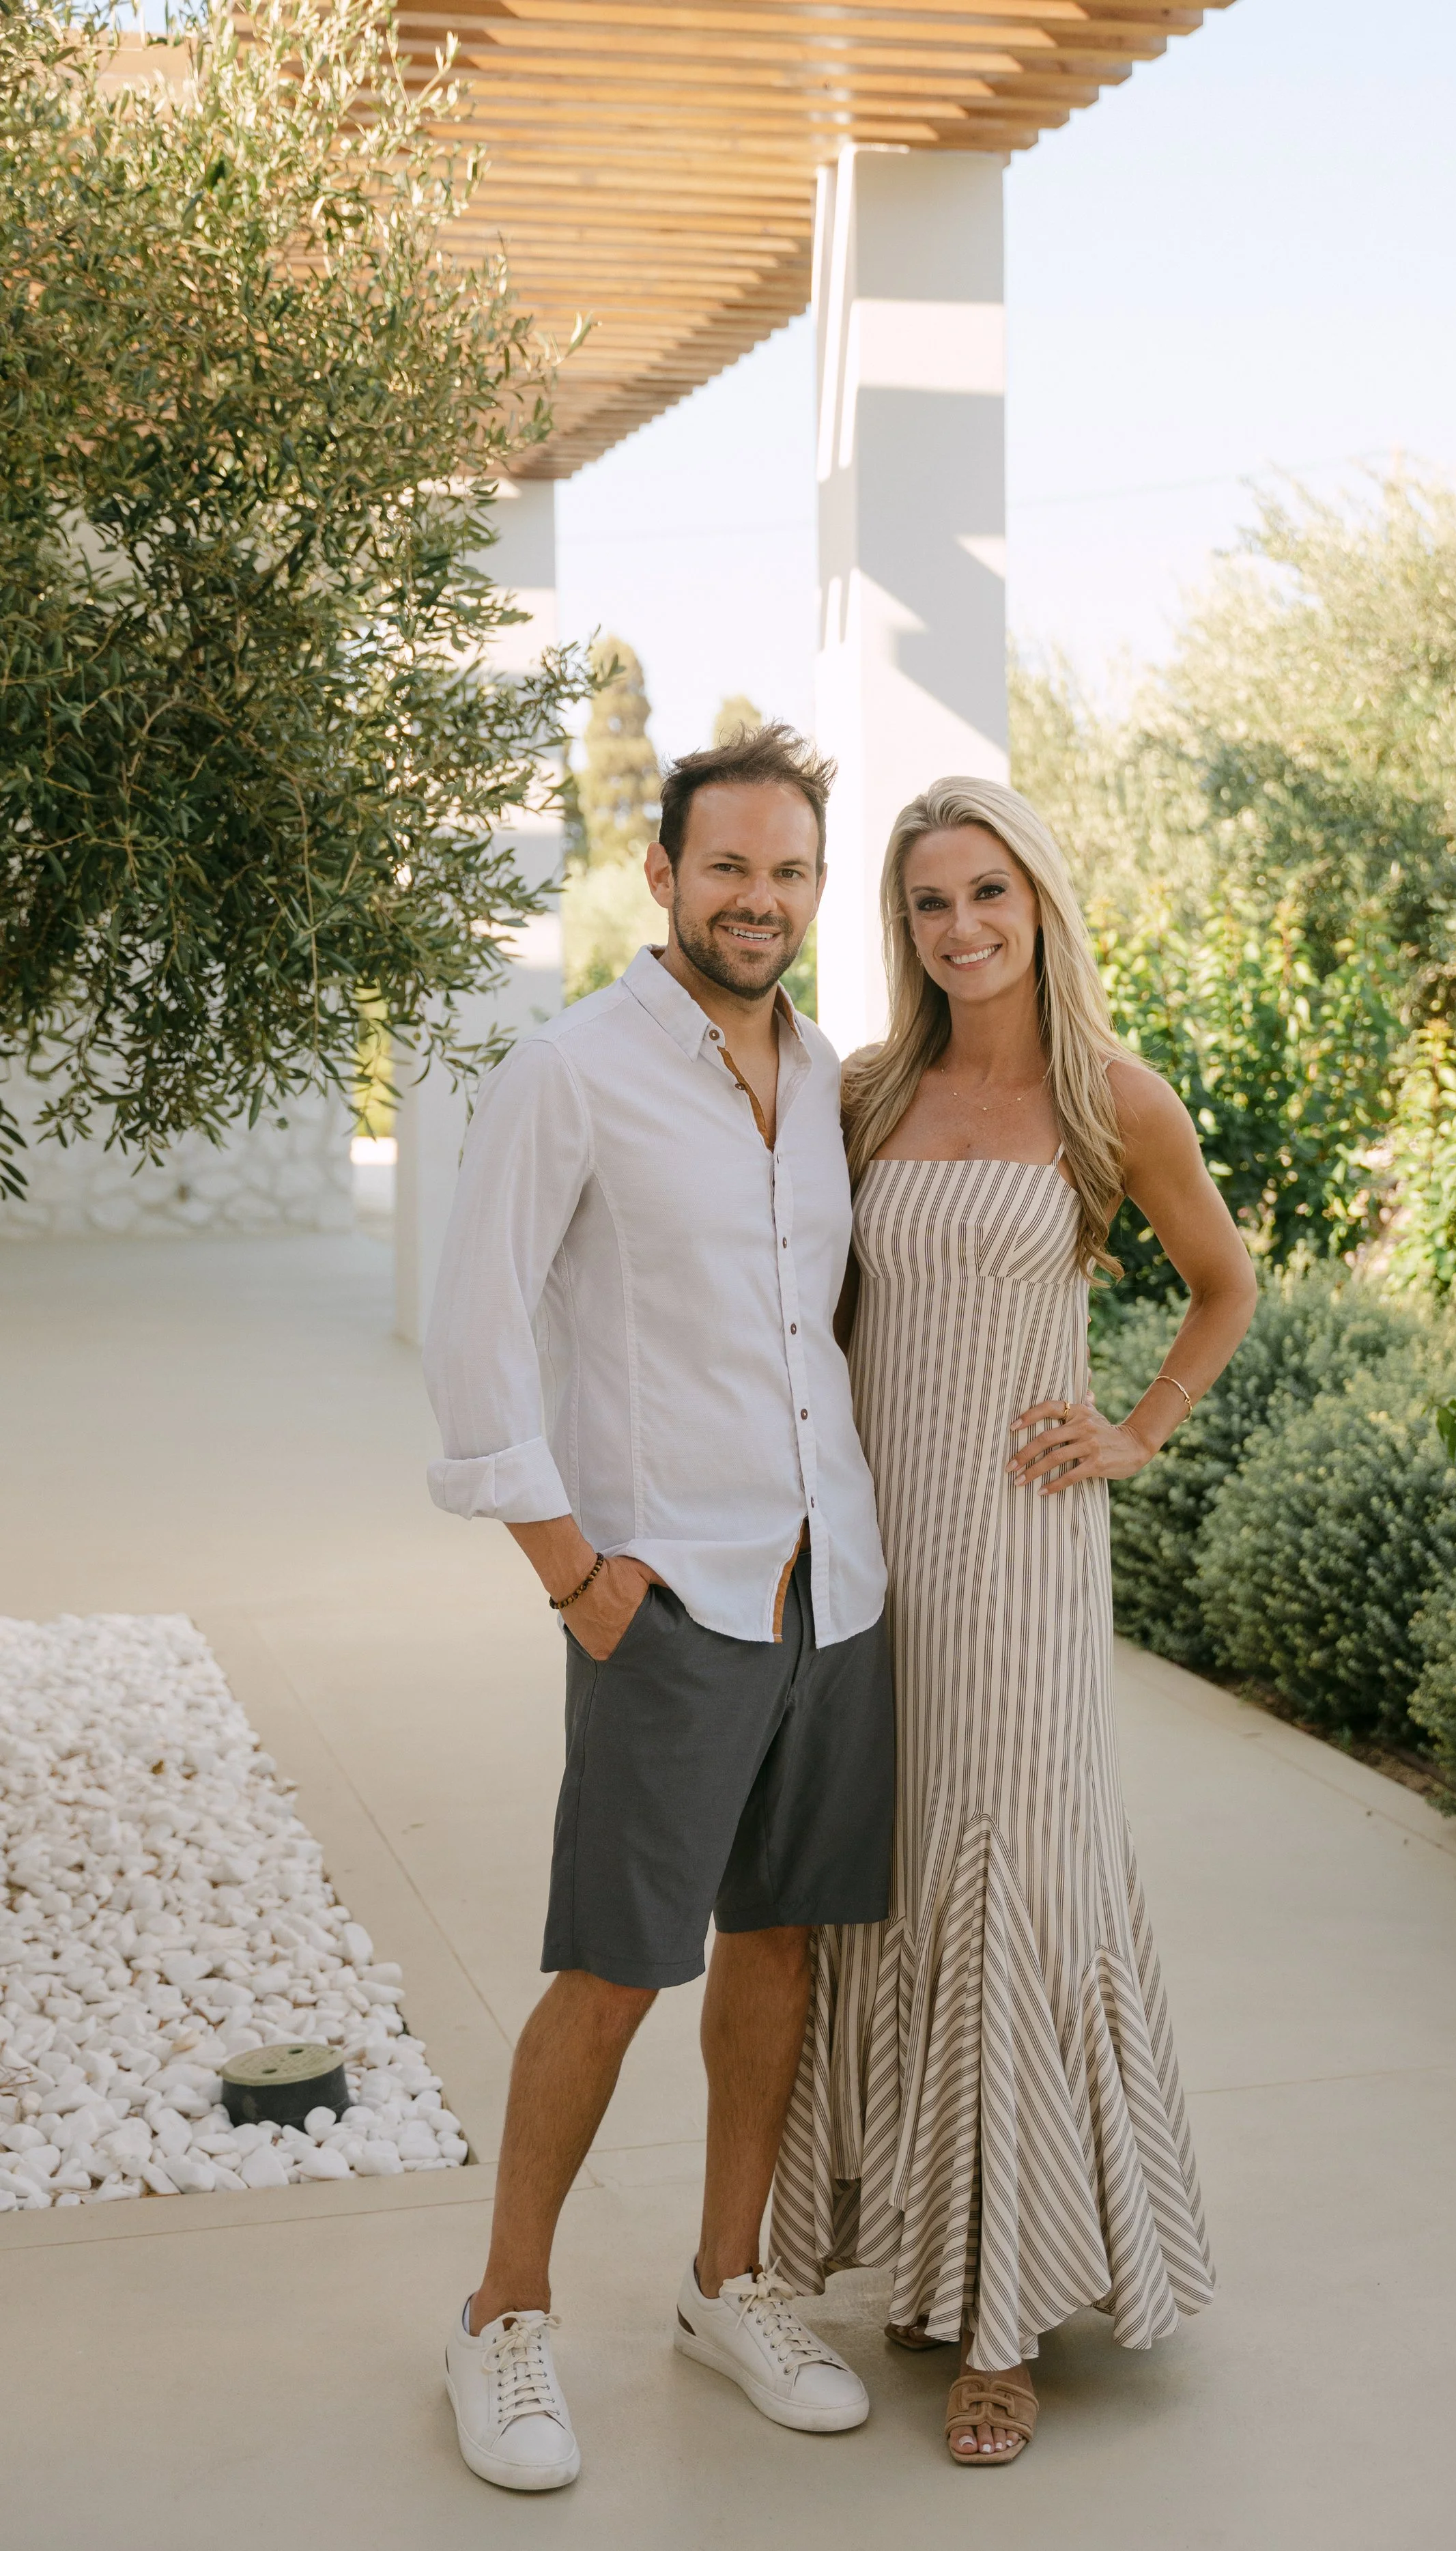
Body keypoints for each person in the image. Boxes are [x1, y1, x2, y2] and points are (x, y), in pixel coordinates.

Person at [422, 724, 893, 2492]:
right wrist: (573, 1573)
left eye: (788, 871)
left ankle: (726, 2280)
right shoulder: (572, 1071)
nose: (758, 898)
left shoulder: (829, 1077)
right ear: (663, 873)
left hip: (831, 1586)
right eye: (728, 867)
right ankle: (502, 2314)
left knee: (777, 1945)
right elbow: (476, 1337)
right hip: (667, 1594)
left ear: (813, 889)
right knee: (614, 1969)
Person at [769, 776, 1257, 2466]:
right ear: (898, 925)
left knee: (1012, 1876)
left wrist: (1136, 1428)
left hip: (1022, 1547)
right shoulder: (862, 1092)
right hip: (873, 1542)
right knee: (898, 1870)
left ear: (1039, 902)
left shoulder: (1113, 1097)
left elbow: (1223, 1283)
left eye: (988, 892)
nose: (960, 926)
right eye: (928, 901)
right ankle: (930, 2248)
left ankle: (1007, 2323)